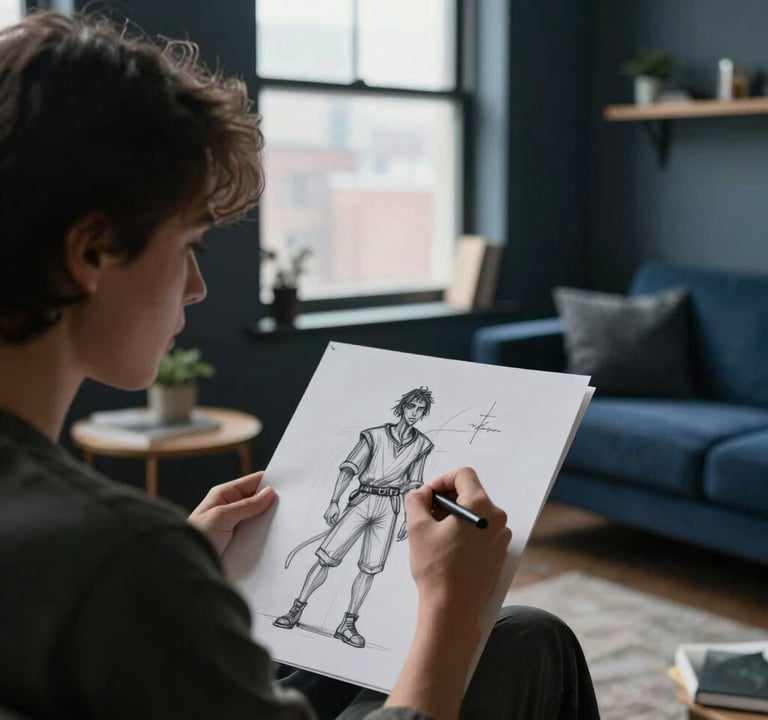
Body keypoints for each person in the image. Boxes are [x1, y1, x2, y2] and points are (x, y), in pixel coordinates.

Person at [0, 10, 601, 720]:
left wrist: (180, 560)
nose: (196, 288)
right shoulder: (124, 557)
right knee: (534, 644)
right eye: (189, 244)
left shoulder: (106, 553)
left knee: (527, 634)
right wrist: (447, 608)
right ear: (92, 251)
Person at [274, 388, 435, 647]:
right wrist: (334, 501)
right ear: (402, 407)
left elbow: (413, 485)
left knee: (369, 568)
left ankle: (348, 624)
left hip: (389, 507)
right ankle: (297, 609)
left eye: (420, 410)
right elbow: (349, 468)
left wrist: (409, 517)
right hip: (362, 499)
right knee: (327, 558)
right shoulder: (374, 435)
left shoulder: (422, 444)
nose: (415, 413)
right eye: (411, 407)